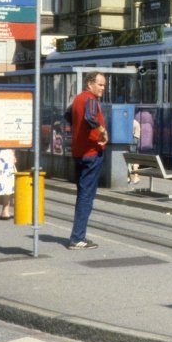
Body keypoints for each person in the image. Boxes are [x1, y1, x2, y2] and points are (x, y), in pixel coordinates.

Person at [67, 71, 108, 249]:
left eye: (104, 85)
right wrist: (102, 131)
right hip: (91, 153)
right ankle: (77, 238)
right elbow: (90, 117)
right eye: (100, 84)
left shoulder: (78, 99)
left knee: (82, 194)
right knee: (86, 196)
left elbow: (68, 115)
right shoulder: (90, 99)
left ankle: (78, 235)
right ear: (90, 84)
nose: (103, 88)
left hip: (79, 153)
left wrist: (78, 132)